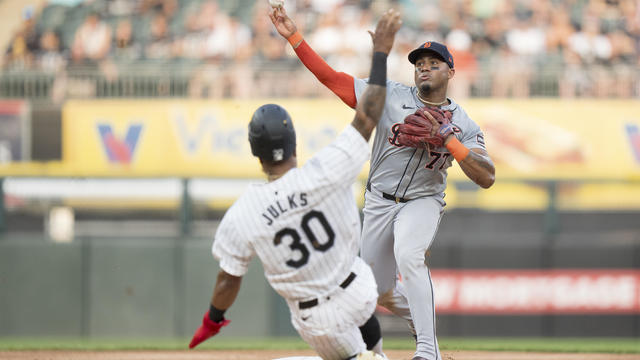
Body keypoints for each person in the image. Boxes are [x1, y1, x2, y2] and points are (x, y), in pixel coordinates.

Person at [270, 7, 495, 360]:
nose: (424, 66)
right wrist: (294, 38)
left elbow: (487, 176)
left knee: (409, 256)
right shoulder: (388, 94)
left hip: (423, 200)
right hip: (379, 201)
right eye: (419, 62)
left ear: (451, 71)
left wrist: (449, 139)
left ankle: (427, 350)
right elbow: (331, 78)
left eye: (434, 62)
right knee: (377, 292)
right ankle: (422, 324)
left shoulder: (464, 123)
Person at [188, 9, 403, 360]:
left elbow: (229, 279)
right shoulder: (328, 166)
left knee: (348, 356)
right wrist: (380, 53)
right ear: (294, 142)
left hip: (317, 317)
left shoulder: (245, 211)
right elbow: (369, 113)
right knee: (365, 331)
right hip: (359, 290)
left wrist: (213, 320)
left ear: (256, 154)